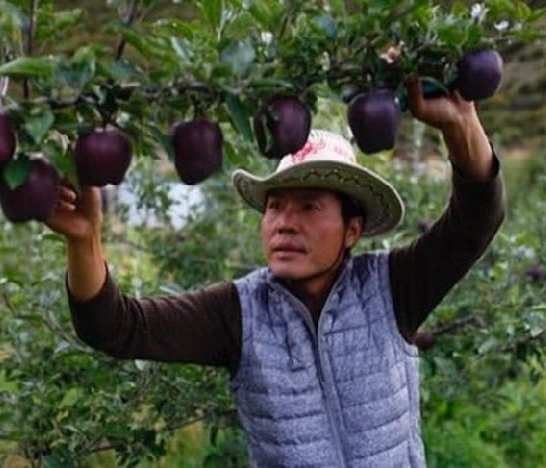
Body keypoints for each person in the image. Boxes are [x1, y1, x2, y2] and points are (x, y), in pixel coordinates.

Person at [44, 78, 505, 467]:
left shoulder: (391, 287)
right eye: (276, 206)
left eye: (309, 207)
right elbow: (115, 327)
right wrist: (85, 241)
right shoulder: (239, 313)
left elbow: (474, 222)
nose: (285, 222)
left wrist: (461, 124)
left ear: (352, 229)